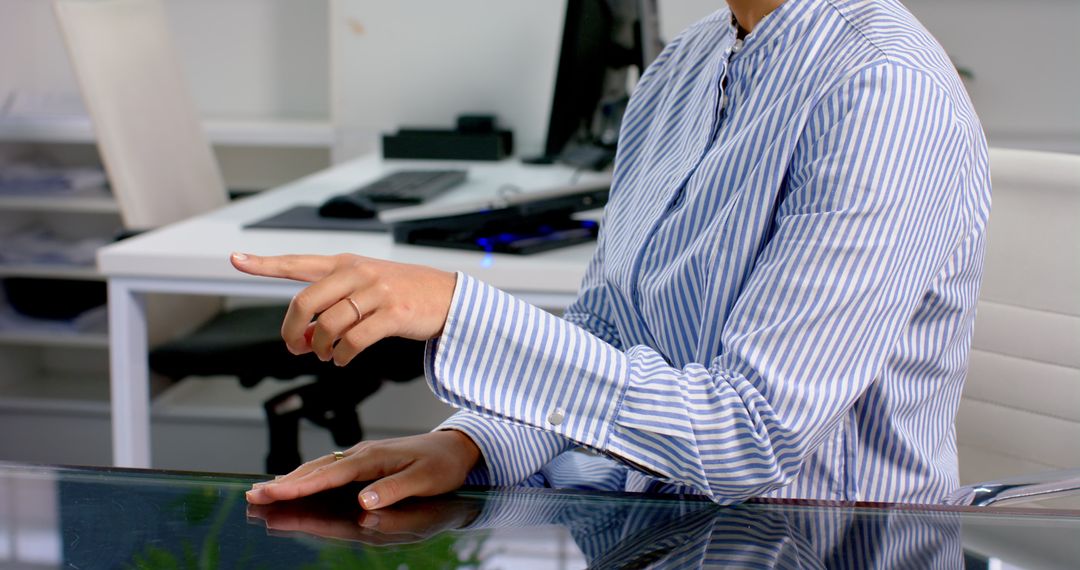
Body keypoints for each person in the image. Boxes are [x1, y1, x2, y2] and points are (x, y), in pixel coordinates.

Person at [240, 0, 991, 511]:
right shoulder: (682, 69)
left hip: (819, 543)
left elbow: (749, 437)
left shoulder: (884, 90)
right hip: (651, 532)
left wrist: (458, 311)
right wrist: (473, 441)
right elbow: (610, 330)